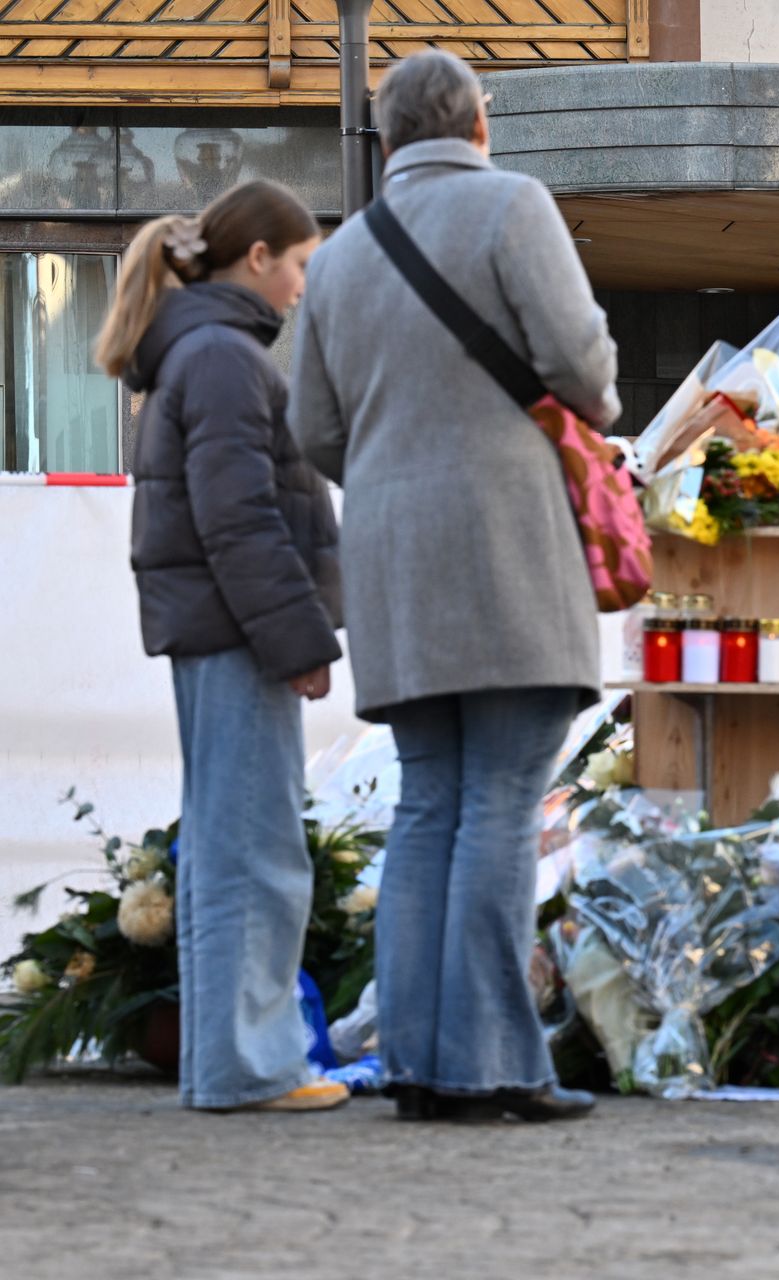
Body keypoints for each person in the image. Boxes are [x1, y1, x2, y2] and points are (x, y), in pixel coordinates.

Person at [290, 50, 620, 1123]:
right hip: (508, 544)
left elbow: (314, 430)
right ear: (478, 123)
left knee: (427, 804)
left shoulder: (337, 260)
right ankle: (494, 1064)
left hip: (392, 557)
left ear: (387, 140)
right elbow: (581, 368)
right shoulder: (512, 206)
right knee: (500, 805)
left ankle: (422, 1064)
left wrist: (395, 483)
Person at [101, 180, 346, 1113]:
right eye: (299, 266)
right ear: (258, 259)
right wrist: (298, 638)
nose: (301, 286)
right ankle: (252, 1067)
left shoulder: (200, 352)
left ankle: (226, 1065)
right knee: (256, 851)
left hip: (216, 630)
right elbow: (238, 520)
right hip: (240, 634)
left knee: (226, 848)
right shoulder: (223, 358)